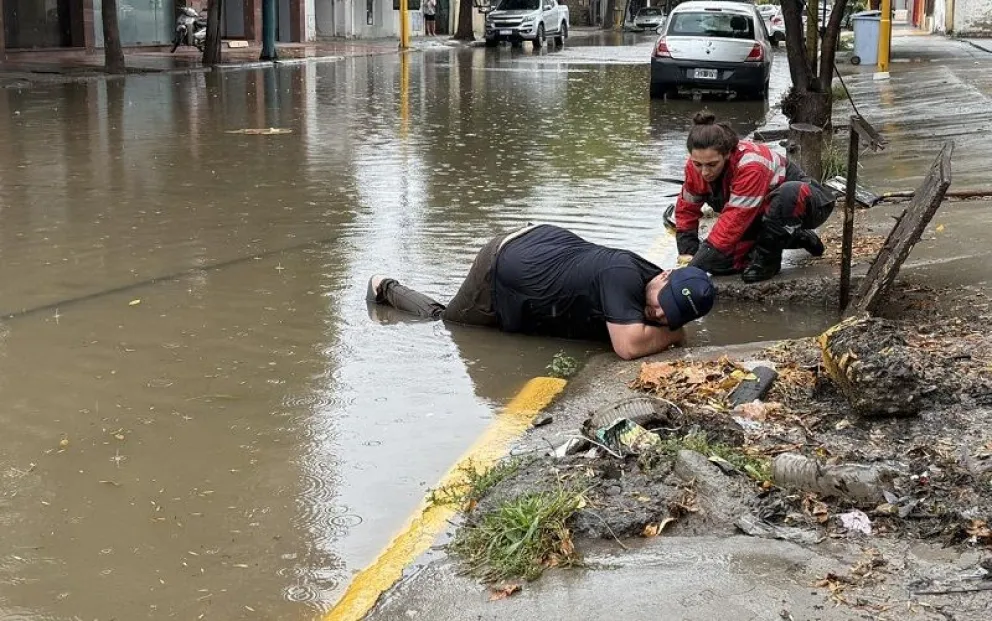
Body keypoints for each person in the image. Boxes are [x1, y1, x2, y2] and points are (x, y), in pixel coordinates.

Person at [366, 224, 716, 360]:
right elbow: (627, 347)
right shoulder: (621, 274)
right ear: (665, 275)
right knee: (449, 324)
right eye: (660, 306)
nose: (657, 315)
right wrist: (674, 332)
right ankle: (385, 288)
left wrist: (667, 325)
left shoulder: (649, 281)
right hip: (502, 263)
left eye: (668, 316)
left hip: (543, 251)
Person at [675, 112, 837, 283]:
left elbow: (733, 221)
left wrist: (693, 268)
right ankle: (795, 237)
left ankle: (768, 263)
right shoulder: (694, 168)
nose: (704, 172)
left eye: (712, 165)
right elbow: (686, 210)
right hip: (759, 211)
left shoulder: (752, 165)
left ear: (728, 154)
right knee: (717, 265)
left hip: (808, 203)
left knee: (788, 194)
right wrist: (688, 253)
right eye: (698, 164)